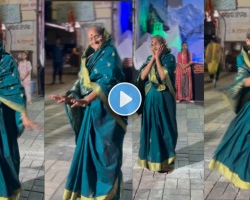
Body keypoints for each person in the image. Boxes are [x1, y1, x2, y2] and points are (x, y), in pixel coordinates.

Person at [49, 26, 127, 199]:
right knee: (89, 154)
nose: (93, 40)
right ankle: (90, 192)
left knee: (105, 154)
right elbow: (81, 84)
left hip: (107, 114)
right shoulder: (89, 57)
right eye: (90, 37)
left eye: (96, 36)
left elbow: (107, 82)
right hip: (91, 112)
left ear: (104, 36)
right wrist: (69, 98)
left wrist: (87, 100)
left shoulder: (110, 53)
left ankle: (107, 194)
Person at [209, 28, 250, 194]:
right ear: (247, 42)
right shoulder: (242, 59)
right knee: (239, 137)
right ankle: (240, 172)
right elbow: (242, 80)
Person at [0, 31, 38, 199]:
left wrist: (24, 115)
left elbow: (15, 89)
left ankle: (5, 194)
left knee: (5, 155)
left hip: (2, 117)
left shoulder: (6, 60)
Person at [135, 35, 178, 173]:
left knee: (165, 128)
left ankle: (166, 160)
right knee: (151, 128)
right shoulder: (149, 59)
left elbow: (163, 77)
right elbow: (142, 76)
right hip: (150, 100)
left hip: (164, 100)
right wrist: (153, 59)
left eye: (156, 44)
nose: (153, 47)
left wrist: (158, 59)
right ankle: (152, 159)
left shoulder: (170, 58)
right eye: (152, 44)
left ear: (163, 45)